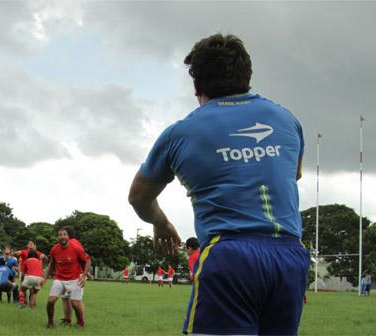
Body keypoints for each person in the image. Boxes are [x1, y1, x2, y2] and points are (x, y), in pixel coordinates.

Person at [128, 33, 309, 335]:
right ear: (247, 77)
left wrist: (161, 222)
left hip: (231, 255)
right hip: (290, 258)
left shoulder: (180, 133)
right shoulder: (287, 119)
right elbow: (294, 174)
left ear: (197, 85)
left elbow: (138, 198)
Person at [44, 227, 91, 329]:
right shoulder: (54, 249)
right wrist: (45, 278)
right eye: (60, 235)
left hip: (75, 278)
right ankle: (50, 323)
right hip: (59, 278)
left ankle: (80, 323)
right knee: (51, 300)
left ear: (68, 236)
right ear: (58, 237)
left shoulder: (76, 247)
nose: (62, 237)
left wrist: (84, 276)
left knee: (75, 303)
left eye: (64, 234)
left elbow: (87, 260)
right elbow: (52, 264)